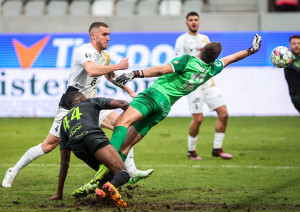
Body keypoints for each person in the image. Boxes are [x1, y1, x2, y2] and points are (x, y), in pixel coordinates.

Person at [2, 22, 153, 190]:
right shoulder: (84, 51)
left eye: (109, 34)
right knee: (49, 145)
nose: (108, 38)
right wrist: (118, 65)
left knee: (123, 124)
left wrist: (129, 91)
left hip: (92, 106)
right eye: (104, 34)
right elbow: (92, 71)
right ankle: (13, 170)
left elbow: (110, 76)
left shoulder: (105, 57)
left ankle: (130, 171)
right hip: (71, 106)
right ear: (93, 36)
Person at [109, 34, 262, 162]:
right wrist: (251, 50)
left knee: (122, 122)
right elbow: (232, 58)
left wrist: (134, 74)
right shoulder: (212, 70)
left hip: (154, 95)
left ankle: (105, 160)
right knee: (127, 146)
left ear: (201, 49)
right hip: (164, 107)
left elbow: (161, 70)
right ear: (214, 60)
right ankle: (106, 179)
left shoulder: (187, 60)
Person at [47, 92, 129, 208]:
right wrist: (130, 114)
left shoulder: (64, 123)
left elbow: (64, 162)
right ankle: (105, 188)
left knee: (109, 174)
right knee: (122, 173)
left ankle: (102, 193)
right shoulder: (90, 101)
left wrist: (59, 194)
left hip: (78, 148)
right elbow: (122, 103)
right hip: (93, 136)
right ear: (82, 98)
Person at [175, 11, 231, 160]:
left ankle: (217, 149)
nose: (194, 22)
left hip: (208, 83)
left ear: (199, 22)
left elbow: (211, 59)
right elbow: (178, 61)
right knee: (198, 119)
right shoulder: (182, 40)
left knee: (224, 114)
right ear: (187, 22)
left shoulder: (205, 38)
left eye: (196, 20)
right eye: (191, 20)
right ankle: (191, 151)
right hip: (194, 85)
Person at [284, 35, 300, 113]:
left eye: (298, 43)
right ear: (290, 45)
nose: (296, 45)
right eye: (294, 44)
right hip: (297, 96)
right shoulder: (288, 58)